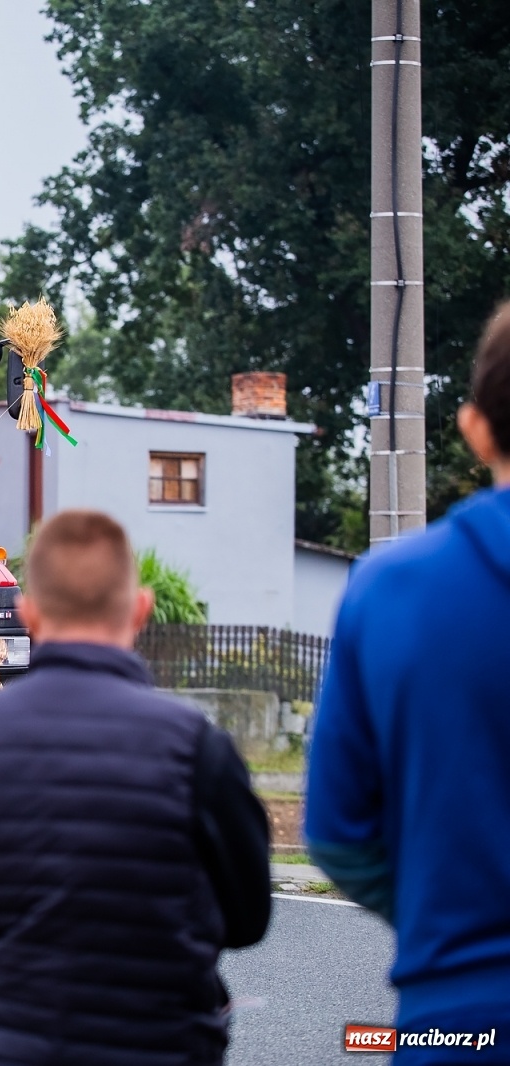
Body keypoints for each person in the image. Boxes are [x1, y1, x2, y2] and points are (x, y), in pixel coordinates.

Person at [0, 509, 271, 1066]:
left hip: (6, 1044)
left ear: (28, 613)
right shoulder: (196, 747)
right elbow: (247, 919)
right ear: (141, 609)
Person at [306, 303, 510, 1062]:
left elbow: (337, 832)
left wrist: (439, 913)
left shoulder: (392, 592)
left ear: (475, 429)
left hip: (460, 1017)